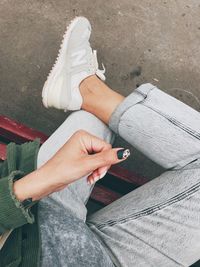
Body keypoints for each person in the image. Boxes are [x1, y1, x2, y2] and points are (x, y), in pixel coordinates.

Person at [0, 16, 200, 267]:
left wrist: (40, 182)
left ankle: (85, 92)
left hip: (32, 221)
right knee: (98, 121)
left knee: (94, 125)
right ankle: (85, 90)